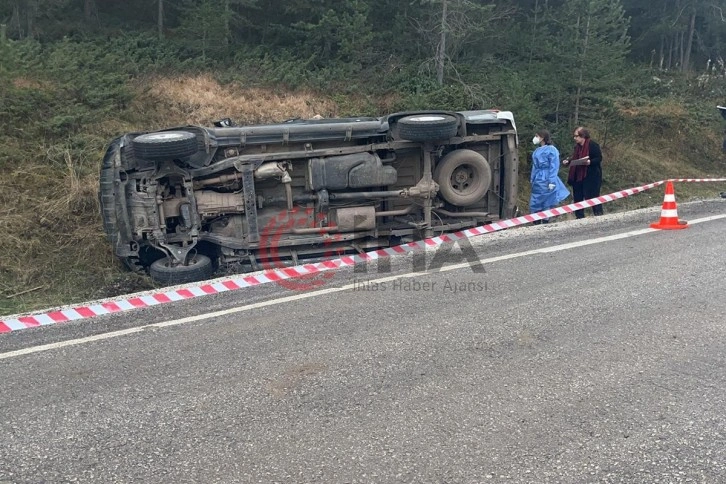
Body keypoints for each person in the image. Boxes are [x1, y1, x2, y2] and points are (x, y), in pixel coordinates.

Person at [529, 129, 570, 224]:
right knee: (536, 199)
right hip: (538, 178)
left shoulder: (551, 150)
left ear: (542, 137)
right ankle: (536, 220)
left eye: (537, 136)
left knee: (547, 199)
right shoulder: (537, 151)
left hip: (547, 176)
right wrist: (533, 178)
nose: (535, 138)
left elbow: (554, 166)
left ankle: (545, 220)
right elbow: (535, 167)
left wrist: (552, 180)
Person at [563, 127, 603, 218]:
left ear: (583, 136)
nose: (575, 138)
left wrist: (590, 162)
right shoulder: (577, 147)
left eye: (576, 136)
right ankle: (579, 218)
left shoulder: (592, 145)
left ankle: (599, 216)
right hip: (578, 176)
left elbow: (599, 158)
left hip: (591, 176)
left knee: (593, 197)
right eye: (574, 136)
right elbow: (575, 159)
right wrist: (568, 161)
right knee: (578, 198)